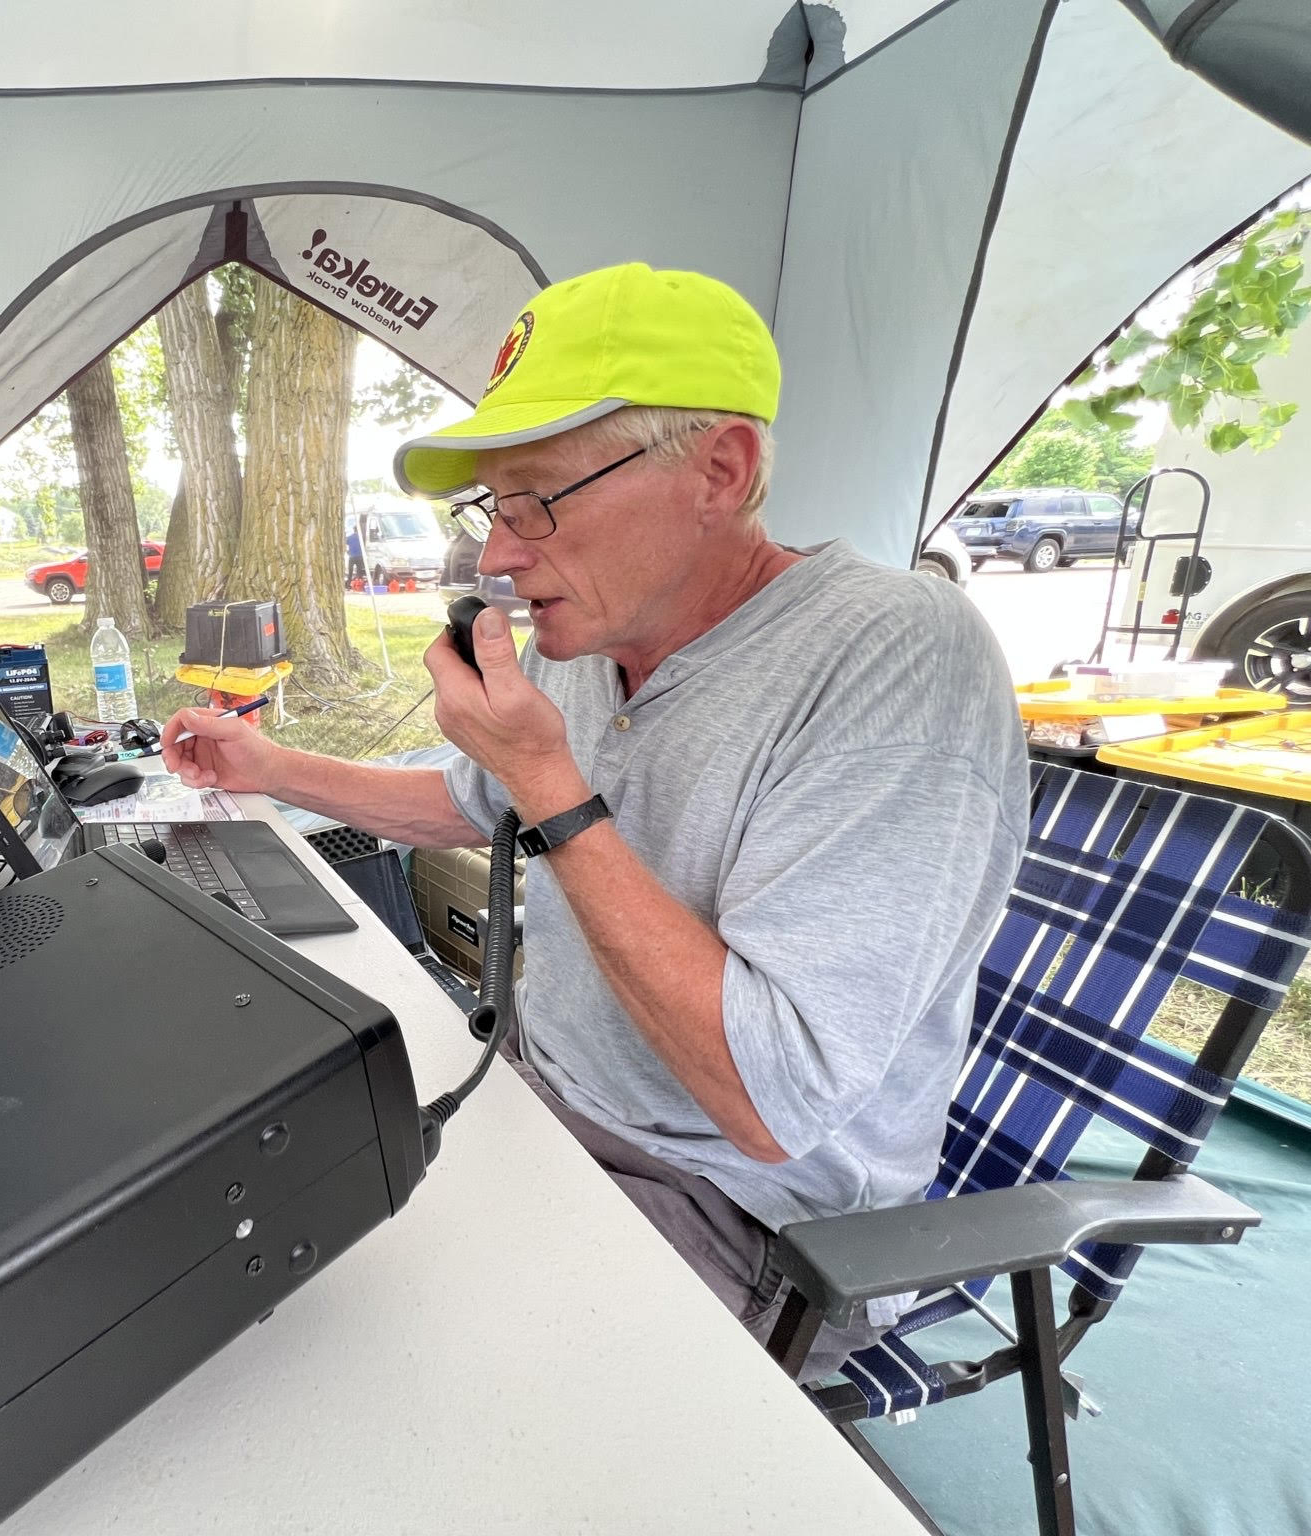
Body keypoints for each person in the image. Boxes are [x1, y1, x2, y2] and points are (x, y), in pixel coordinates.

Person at [163, 263, 1028, 1381]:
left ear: (720, 469)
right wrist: (271, 765)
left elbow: (769, 1100)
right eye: (490, 507)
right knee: (235, 1255)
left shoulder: (893, 657)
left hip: (738, 1209)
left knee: (377, 1385)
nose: (497, 557)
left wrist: (552, 787)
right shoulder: (597, 628)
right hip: (533, 1090)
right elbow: (470, 800)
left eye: (537, 501)